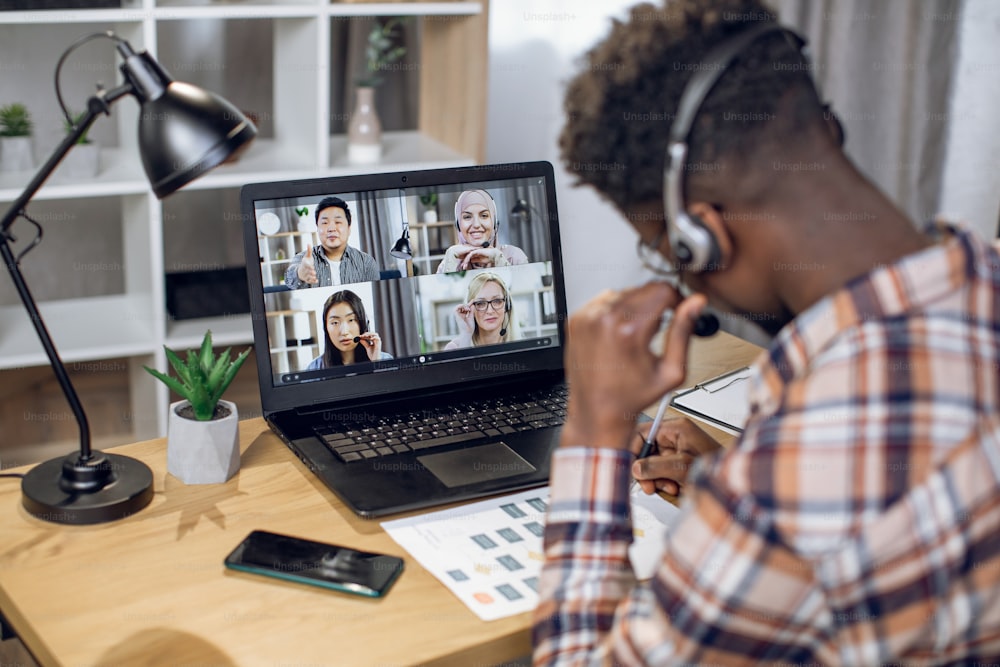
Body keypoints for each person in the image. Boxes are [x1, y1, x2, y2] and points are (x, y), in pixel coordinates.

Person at [534, 1, 1000, 665]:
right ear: (827, 129)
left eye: (666, 254)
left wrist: (592, 429)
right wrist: (728, 491)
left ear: (704, 239)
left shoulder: (798, 479)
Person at [285, 197, 379, 288]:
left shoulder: (366, 262)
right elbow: (289, 280)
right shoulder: (303, 259)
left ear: (349, 228)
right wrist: (300, 273)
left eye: (338, 222)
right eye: (325, 223)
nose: (331, 228)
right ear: (317, 229)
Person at [435, 189, 529, 273]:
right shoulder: (449, 262)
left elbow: (526, 290)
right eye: (467, 217)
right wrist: (450, 259)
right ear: (458, 225)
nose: (476, 224)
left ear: (494, 222)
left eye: (484, 216)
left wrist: (499, 259)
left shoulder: (514, 257)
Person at [306, 290, 392, 369]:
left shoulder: (384, 360)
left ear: (362, 323)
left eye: (351, 320)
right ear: (326, 328)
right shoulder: (313, 368)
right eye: (335, 323)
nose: (344, 332)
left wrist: (376, 364)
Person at [444, 272, 519, 350]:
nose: (490, 311)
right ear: (470, 308)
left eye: (497, 301)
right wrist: (466, 335)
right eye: (480, 303)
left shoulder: (519, 346)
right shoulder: (454, 348)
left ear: (507, 306)